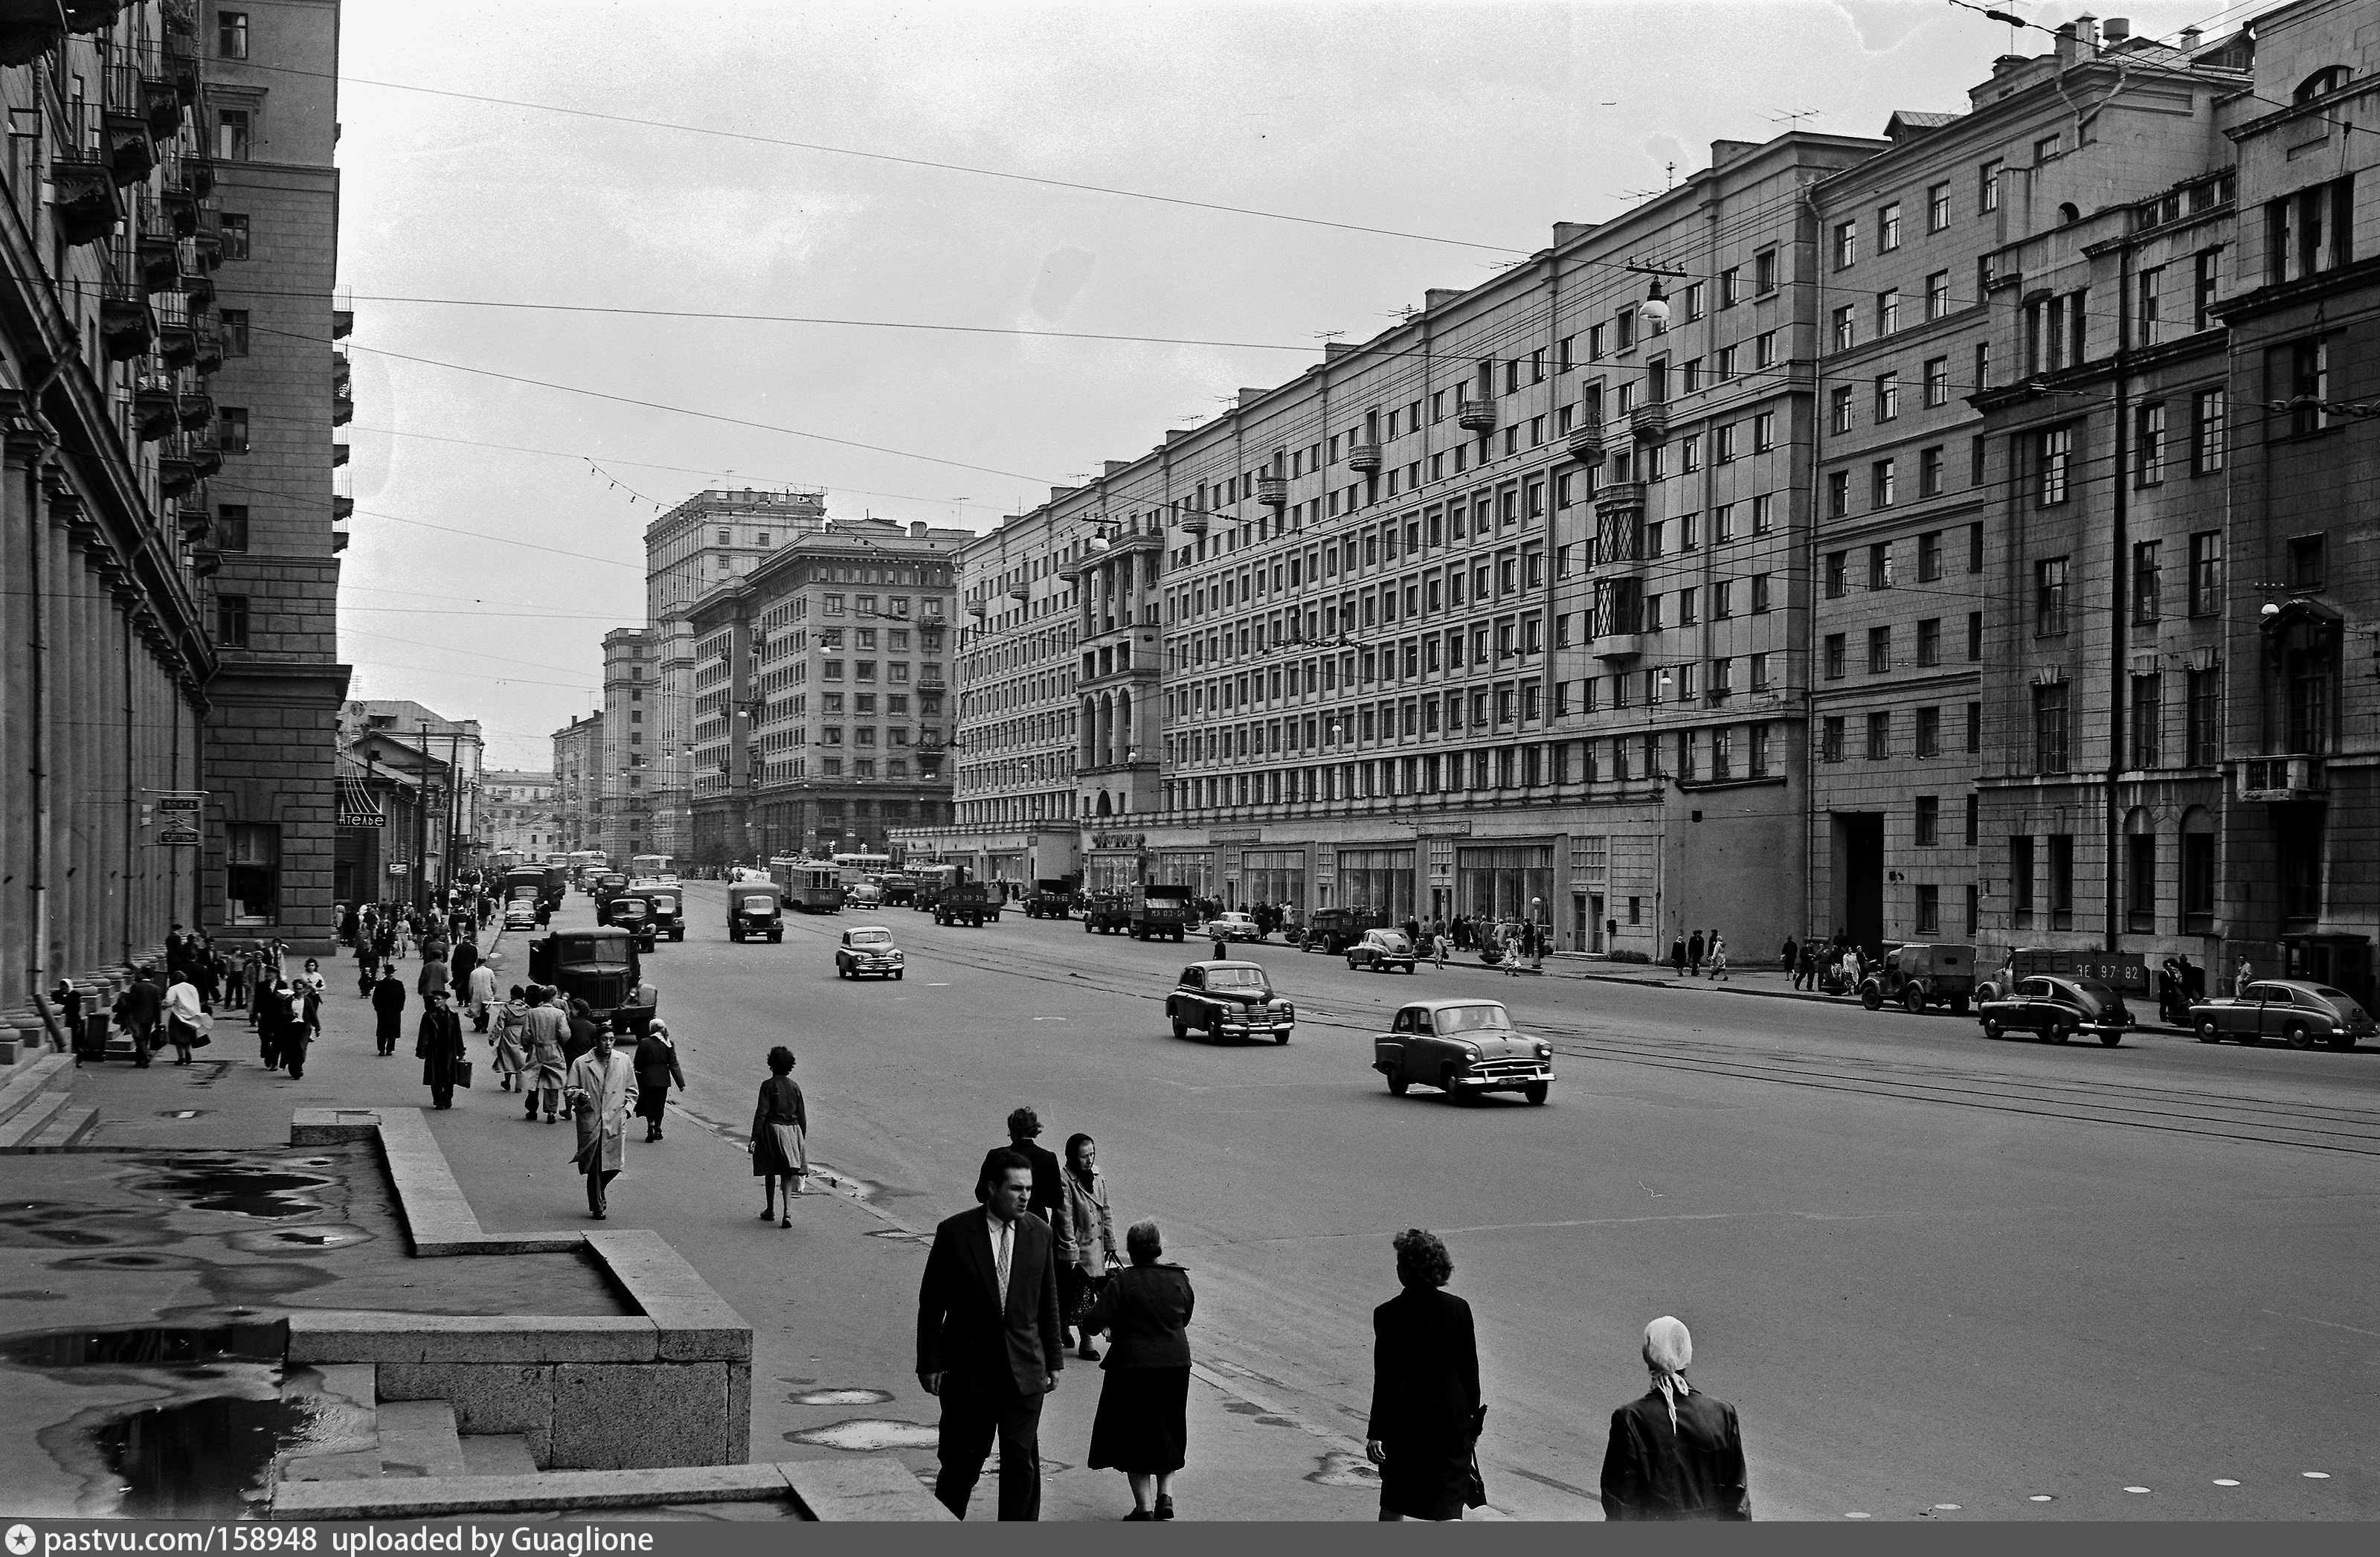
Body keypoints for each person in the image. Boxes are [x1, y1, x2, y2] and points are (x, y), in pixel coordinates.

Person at [915, 1149, 1064, 1521]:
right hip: (969, 1373)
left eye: (1029, 1189)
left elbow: (1048, 1302)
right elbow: (932, 1304)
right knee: (961, 1464)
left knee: (1020, 1464)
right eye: (1016, 1189)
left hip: (1024, 1370)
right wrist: (930, 1362)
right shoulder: (955, 1233)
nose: (1026, 1196)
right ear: (992, 1188)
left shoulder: (1039, 1234)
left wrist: (1055, 1361)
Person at [1366, 1229, 1482, 1523]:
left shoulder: (1389, 1314)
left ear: (1407, 1270)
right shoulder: (1458, 1308)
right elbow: (1470, 1373)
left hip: (1408, 1424)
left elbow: (1389, 1380)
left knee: (1395, 1501)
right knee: (1449, 1507)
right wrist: (1471, 1424)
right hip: (1452, 1422)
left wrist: (1377, 1433)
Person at [1083, 1219, 1194, 1521]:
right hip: (1175, 1364)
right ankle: (1165, 1496)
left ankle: (1144, 1508)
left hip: (1132, 1367)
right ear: (1158, 1248)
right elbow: (1185, 1316)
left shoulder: (1122, 1282)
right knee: (1168, 1429)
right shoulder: (1178, 1279)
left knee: (1135, 1435)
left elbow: (1092, 1323)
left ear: (1131, 1251)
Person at [1598, 1316, 1751, 1521]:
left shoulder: (1631, 1419)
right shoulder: (1723, 1414)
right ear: (1687, 1354)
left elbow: (1620, 1503)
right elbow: (1737, 1499)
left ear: (1648, 1355)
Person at [566, 1027, 637, 1219]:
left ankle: (601, 1190)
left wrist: (627, 1111)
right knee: (597, 1165)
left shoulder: (623, 1060)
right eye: (604, 1039)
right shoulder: (581, 1063)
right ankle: (598, 1206)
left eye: (612, 1039)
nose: (608, 1043)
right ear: (596, 1041)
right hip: (593, 1120)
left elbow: (632, 1090)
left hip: (615, 1119)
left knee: (614, 1166)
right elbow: (570, 1089)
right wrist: (579, 1097)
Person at [1058, 1134, 1118, 1361]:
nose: (1089, 1160)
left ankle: (1081, 1337)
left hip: (1095, 1247)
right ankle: (1085, 1341)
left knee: (1087, 1295)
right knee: (1075, 1295)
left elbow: (1107, 1210)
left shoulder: (1098, 1176)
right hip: (1076, 1245)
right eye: (1084, 1156)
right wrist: (1070, 1250)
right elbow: (1064, 1218)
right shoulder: (1065, 1179)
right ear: (1073, 1156)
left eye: (1092, 1154)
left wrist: (1111, 1241)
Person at [750, 1044, 808, 1226]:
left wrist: (755, 1137)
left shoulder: (768, 1085)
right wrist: (800, 1139)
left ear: (771, 1064)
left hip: (771, 1131)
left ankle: (770, 1209)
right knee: (787, 1172)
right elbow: (802, 1115)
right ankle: (787, 1212)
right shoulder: (794, 1087)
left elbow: (762, 1113)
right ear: (790, 1066)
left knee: (770, 1170)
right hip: (792, 1131)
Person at [1003, 1106, 1067, 1231]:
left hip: (1004, 1221)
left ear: (1012, 1130)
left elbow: (981, 1195)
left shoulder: (997, 1156)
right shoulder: (1048, 1158)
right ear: (1034, 1129)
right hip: (1036, 1224)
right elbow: (1057, 1201)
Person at [633, 1018, 687, 1143]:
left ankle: (650, 1126)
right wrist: (681, 1084)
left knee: (649, 1104)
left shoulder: (644, 1043)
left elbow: (638, 1063)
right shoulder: (669, 1044)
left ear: (651, 1029)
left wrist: (638, 1074)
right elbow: (674, 1064)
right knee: (659, 1104)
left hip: (647, 1080)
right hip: (663, 1081)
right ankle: (658, 1128)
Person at [521, 989, 570, 1123]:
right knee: (553, 1081)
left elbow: (526, 1033)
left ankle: (532, 1109)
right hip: (553, 1049)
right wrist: (561, 1044)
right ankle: (551, 1112)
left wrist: (527, 1046)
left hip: (536, 1049)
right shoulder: (559, 1014)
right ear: (553, 998)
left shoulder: (532, 1013)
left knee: (533, 1078)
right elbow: (565, 1033)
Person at [415, 989, 466, 1108]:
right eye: (434, 998)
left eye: (438, 999)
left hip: (449, 1050)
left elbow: (458, 1034)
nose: (435, 1001)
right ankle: (439, 1101)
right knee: (435, 1077)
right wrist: (421, 1050)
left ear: (445, 1001)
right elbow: (423, 1034)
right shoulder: (428, 1015)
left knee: (449, 1076)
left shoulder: (453, 1016)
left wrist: (460, 1050)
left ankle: (447, 1098)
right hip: (434, 1050)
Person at [112, 970, 161, 1068]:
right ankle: (142, 1060)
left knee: (138, 1038)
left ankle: (144, 1057)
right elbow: (157, 1006)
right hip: (149, 1018)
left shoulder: (136, 986)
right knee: (146, 1038)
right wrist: (158, 1022)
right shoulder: (156, 988)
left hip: (136, 1017)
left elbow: (132, 1000)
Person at [161, 969, 210, 1065]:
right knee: (187, 1035)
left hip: (178, 1014)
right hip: (191, 1014)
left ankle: (181, 1057)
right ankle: (187, 1051)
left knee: (177, 1036)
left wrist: (163, 1004)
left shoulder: (173, 988)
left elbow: (169, 1002)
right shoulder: (192, 987)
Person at [490, 985, 528, 1091]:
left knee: (507, 1058)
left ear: (512, 995)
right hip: (522, 1034)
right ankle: (519, 1085)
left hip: (508, 1034)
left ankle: (507, 1081)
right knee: (520, 1060)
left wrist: (493, 1038)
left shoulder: (506, 1008)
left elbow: (499, 1025)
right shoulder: (528, 1009)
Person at [466, 960, 498, 1034]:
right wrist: (493, 992)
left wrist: (470, 995)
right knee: (485, 1011)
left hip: (476, 994)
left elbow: (470, 985)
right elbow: (494, 983)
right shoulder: (490, 972)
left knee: (476, 1011)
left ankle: (478, 1025)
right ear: (485, 963)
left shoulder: (474, 973)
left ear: (477, 963)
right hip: (487, 993)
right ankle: (484, 1026)